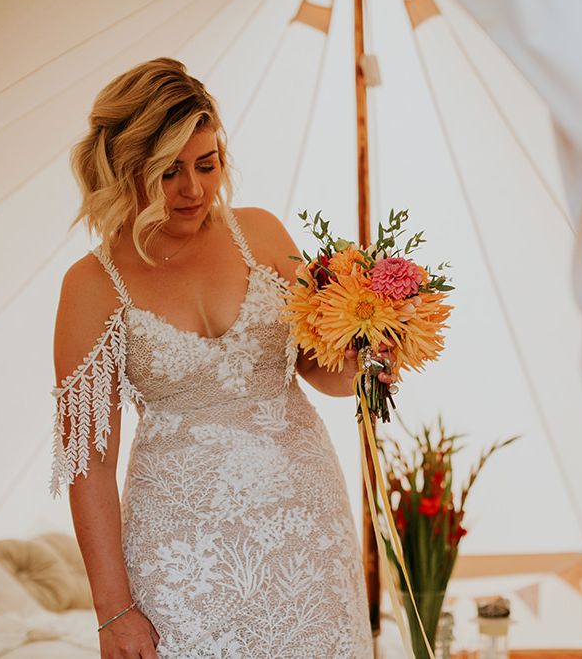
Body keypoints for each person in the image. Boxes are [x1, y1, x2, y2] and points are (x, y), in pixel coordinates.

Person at [51, 57, 394, 659]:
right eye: (168, 172)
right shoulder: (92, 285)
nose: (194, 190)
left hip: (306, 531)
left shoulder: (258, 234)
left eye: (206, 165)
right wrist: (113, 611)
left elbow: (319, 370)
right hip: (183, 555)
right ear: (126, 167)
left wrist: (368, 363)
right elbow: (90, 462)